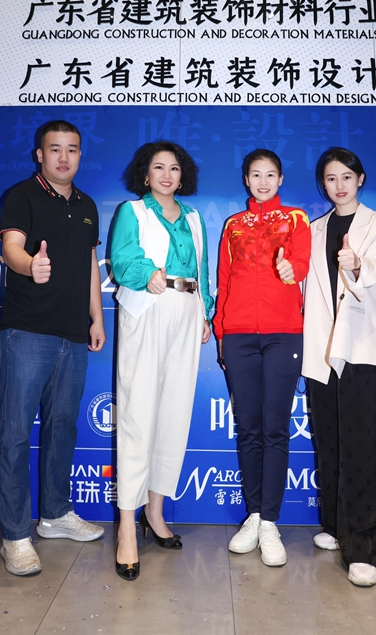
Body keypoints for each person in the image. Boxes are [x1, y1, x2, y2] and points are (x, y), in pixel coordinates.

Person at [0, 120, 106, 577]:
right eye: (54, 149)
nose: (64, 157)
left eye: (72, 149)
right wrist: (29, 266)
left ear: (80, 155)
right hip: (27, 331)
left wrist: (97, 317)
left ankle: (56, 515)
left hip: (73, 334)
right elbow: (12, 248)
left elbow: (91, 267)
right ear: (39, 154)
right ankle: (15, 536)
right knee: (15, 433)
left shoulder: (88, 206)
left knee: (63, 427)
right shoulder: (21, 196)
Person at [110, 141, 213, 581]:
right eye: (158, 167)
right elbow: (122, 259)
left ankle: (155, 513)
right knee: (138, 416)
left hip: (187, 312)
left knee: (174, 413)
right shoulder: (132, 212)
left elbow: (203, 271)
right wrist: (146, 273)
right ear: (145, 174)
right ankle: (126, 528)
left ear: (183, 174)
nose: (167, 175)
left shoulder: (194, 218)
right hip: (148, 309)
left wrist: (205, 311)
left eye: (174, 168)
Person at [302, 147, 376, 588]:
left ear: (360, 179)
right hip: (322, 349)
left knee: (364, 447)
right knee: (330, 442)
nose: (338, 185)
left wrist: (357, 263)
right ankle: (337, 526)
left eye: (346, 176)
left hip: (361, 347)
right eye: (330, 178)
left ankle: (363, 547)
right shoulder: (314, 229)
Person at [214, 149, 311, 567]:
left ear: (281, 179)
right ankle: (253, 515)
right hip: (238, 335)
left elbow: (301, 261)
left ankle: (270, 521)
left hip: (283, 333)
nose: (264, 181)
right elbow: (223, 280)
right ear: (246, 179)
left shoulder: (296, 218)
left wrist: (293, 271)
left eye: (271, 174)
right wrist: (221, 332)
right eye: (256, 174)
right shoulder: (233, 225)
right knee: (248, 428)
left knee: (275, 428)